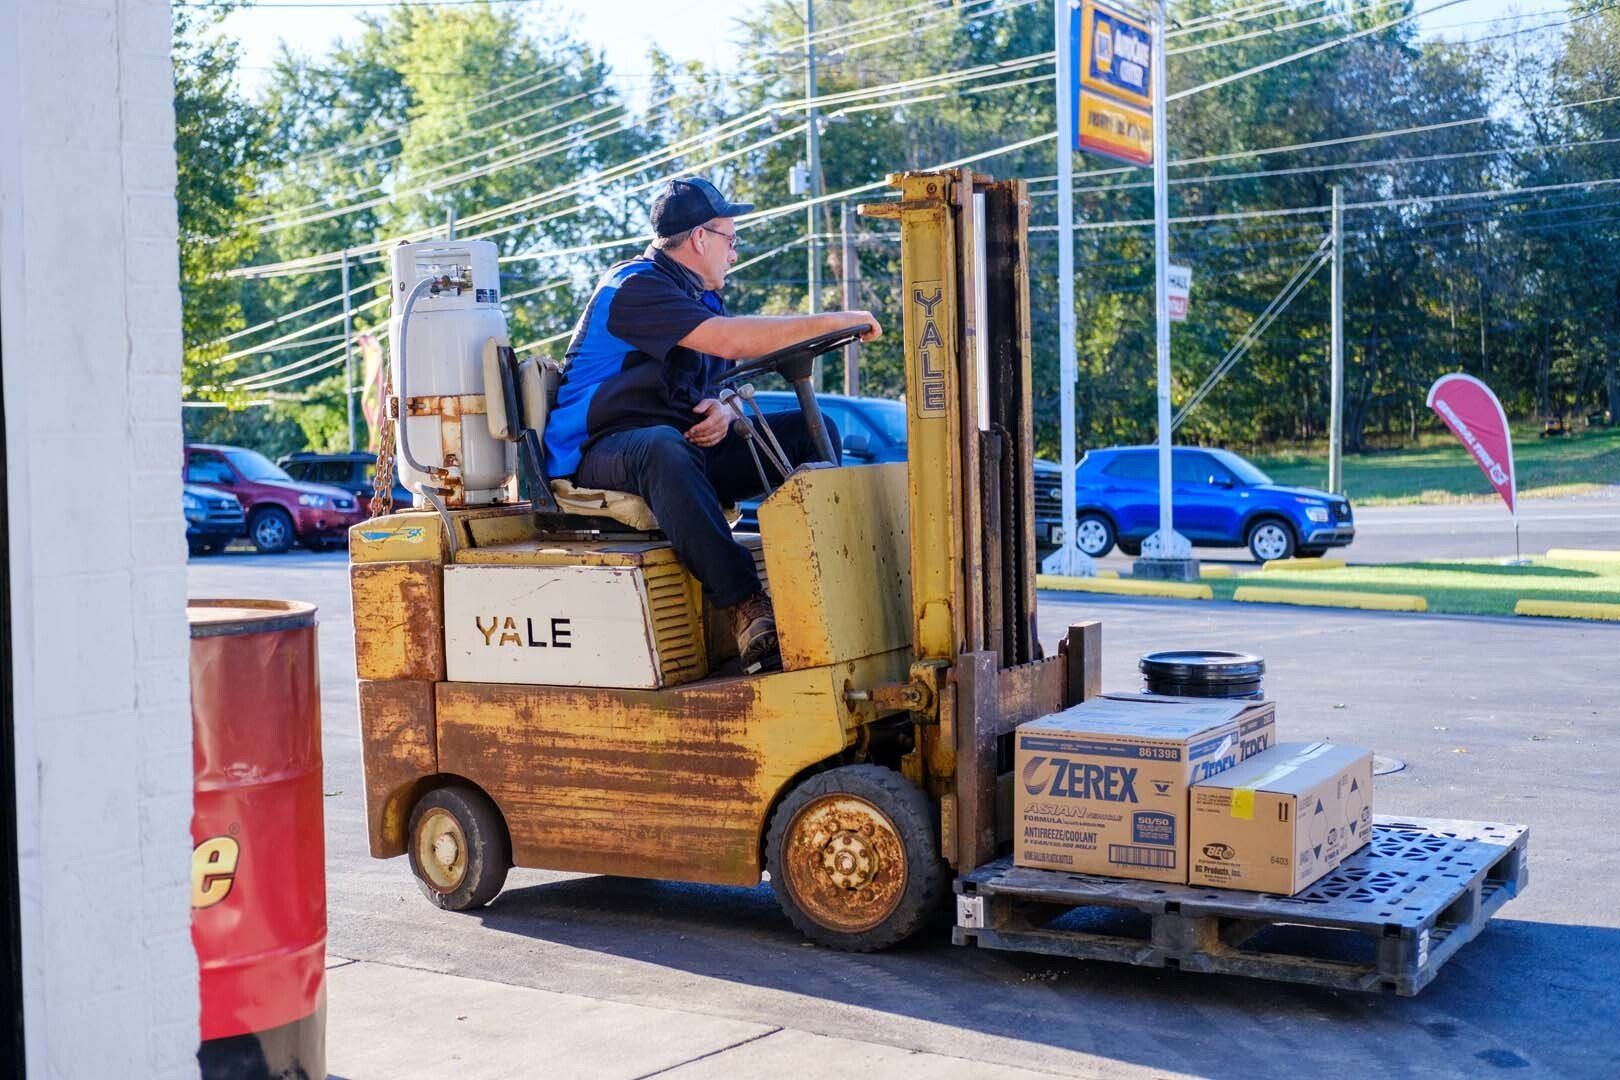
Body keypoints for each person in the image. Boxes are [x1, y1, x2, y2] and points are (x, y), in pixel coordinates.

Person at [543, 176, 882, 669]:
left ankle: (826, 587)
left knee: (814, 430)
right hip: (602, 451)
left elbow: (720, 377)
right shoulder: (633, 288)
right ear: (700, 237)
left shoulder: (698, 297)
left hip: (677, 448)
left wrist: (724, 410)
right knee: (662, 447)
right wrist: (835, 319)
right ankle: (745, 604)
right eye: (730, 239)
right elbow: (731, 342)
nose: (735, 253)